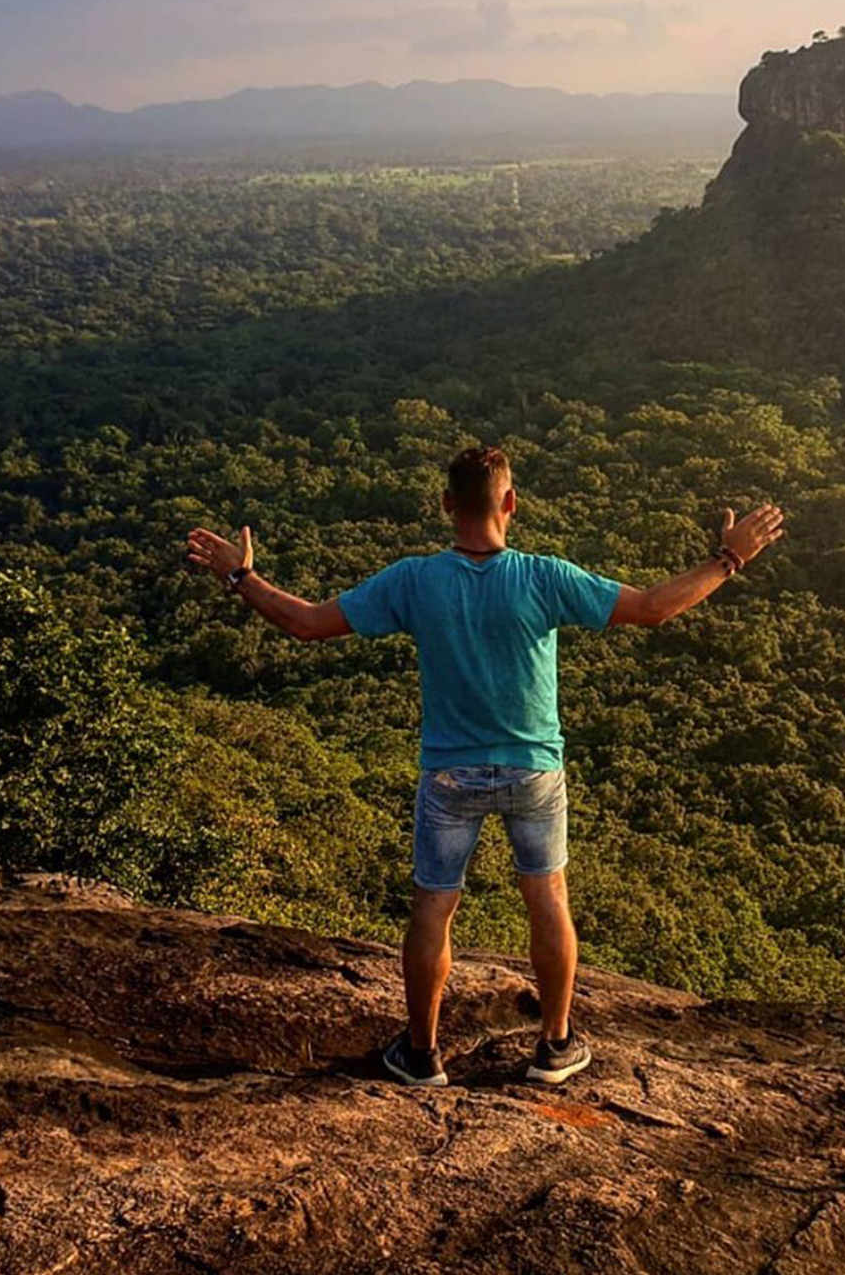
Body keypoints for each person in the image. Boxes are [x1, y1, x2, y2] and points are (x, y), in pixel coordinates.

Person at [186, 445, 784, 1088]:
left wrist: (241, 577)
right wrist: (731, 558)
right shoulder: (545, 577)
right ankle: (554, 1047)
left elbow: (305, 623)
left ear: (447, 505)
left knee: (432, 909)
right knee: (548, 898)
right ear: (510, 503)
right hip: (533, 770)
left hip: (448, 776)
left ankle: (420, 1055)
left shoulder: (414, 580)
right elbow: (654, 607)